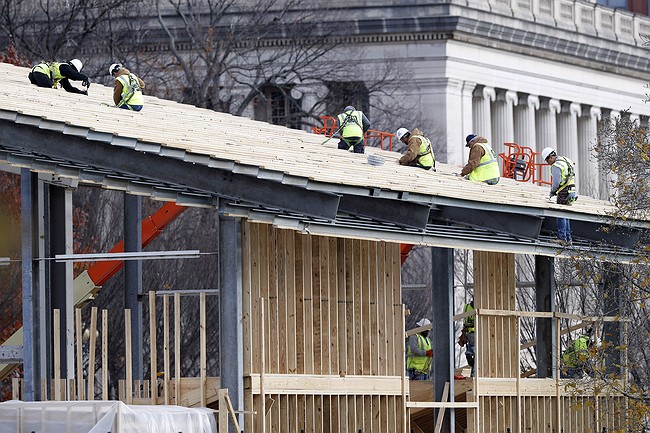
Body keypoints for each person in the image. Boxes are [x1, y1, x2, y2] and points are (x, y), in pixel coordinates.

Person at [541, 147, 577, 246]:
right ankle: (568, 238)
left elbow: (556, 182)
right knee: (566, 215)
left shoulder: (556, 166)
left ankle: (562, 238)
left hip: (564, 192)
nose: (548, 163)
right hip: (571, 191)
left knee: (560, 214)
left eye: (547, 160)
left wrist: (552, 192)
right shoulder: (566, 160)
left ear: (550, 157)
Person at [458, 301, 476, 377]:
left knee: (472, 354)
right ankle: (474, 374)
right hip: (475, 333)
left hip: (468, 333)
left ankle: (469, 354)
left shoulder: (466, 307)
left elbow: (464, 321)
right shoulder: (478, 307)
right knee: (477, 356)